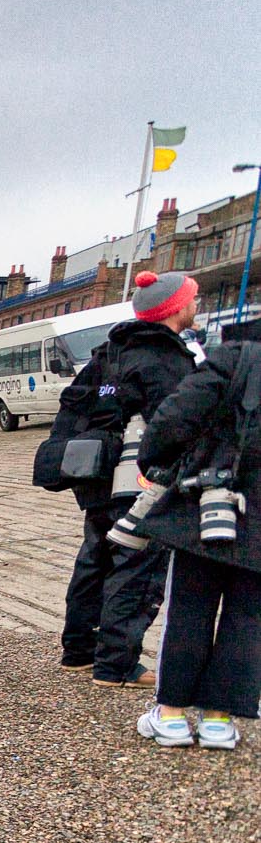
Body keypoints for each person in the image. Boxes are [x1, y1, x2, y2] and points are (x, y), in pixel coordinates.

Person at [59, 270, 200, 687]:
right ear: (175, 308)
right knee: (137, 567)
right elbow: (175, 422)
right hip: (140, 480)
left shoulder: (111, 351)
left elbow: (75, 401)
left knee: (95, 559)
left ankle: (79, 651)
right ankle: (117, 664)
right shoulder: (165, 358)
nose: (197, 305)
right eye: (193, 299)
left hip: (99, 474)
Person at [129, 321, 260, 750]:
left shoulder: (234, 357)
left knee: (190, 606)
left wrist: (156, 465)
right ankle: (219, 721)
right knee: (248, 616)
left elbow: (174, 418)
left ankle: (170, 715)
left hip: (211, 502)